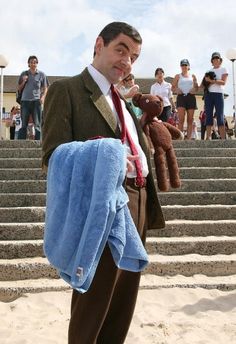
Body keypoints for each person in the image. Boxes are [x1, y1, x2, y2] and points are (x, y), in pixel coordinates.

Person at [42, 21, 165, 344]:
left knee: (122, 301)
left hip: (136, 201)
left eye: (134, 56)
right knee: (93, 301)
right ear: (99, 45)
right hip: (100, 202)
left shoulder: (123, 101)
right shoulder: (65, 90)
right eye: (120, 50)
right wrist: (103, 155)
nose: (127, 61)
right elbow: (52, 155)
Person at [17, 55, 48, 140]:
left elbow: (45, 88)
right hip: (25, 101)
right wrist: (24, 81)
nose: (33, 64)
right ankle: (21, 144)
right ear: (28, 64)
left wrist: (42, 98)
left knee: (37, 125)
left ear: (37, 63)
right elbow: (19, 89)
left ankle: (39, 144)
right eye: (31, 62)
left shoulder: (42, 74)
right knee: (24, 125)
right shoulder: (24, 74)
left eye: (35, 62)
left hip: (36, 101)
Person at [202, 52, 228, 140]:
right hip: (208, 94)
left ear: (220, 60)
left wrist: (212, 80)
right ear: (212, 61)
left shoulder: (223, 69)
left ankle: (223, 138)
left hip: (219, 94)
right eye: (214, 59)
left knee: (220, 115)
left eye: (217, 58)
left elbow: (223, 82)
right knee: (208, 115)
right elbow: (204, 84)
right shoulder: (208, 71)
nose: (216, 60)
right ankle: (208, 137)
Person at [172, 59, 198, 139]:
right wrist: (177, 90)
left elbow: (196, 88)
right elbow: (172, 87)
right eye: (182, 65)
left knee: (190, 120)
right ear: (180, 66)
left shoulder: (192, 76)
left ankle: (189, 139)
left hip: (191, 97)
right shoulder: (177, 76)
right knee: (181, 119)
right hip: (181, 97)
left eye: (186, 65)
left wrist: (195, 87)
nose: (184, 66)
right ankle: (180, 139)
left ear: (188, 66)